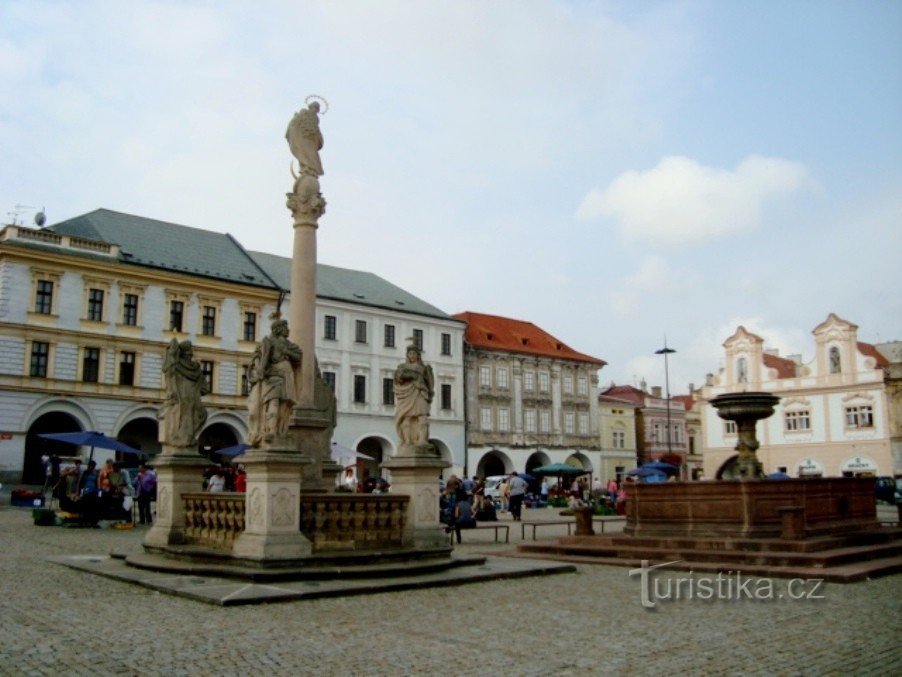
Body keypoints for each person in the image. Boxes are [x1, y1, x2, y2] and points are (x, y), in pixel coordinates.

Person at [247, 317, 302, 446]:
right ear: (278, 329)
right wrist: (261, 371)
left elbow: (298, 356)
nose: (288, 330)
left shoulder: (288, 344)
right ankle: (270, 430)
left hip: (287, 374)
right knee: (273, 401)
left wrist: (286, 351)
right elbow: (262, 358)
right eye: (285, 328)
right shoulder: (268, 341)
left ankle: (281, 430)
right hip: (274, 375)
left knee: (285, 405)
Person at [159, 338, 209, 447]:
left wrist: (171, 351)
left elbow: (167, 369)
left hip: (181, 402)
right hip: (193, 402)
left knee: (183, 418)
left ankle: (184, 439)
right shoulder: (196, 370)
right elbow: (205, 389)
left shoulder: (175, 366)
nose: (190, 355)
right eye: (190, 353)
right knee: (197, 417)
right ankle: (187, 439)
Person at [393, 344, 434, 450]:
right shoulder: (402, 367)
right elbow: (398, 377)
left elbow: (430, 382)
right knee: (406, 417)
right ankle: (407, 441)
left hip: (420, 392)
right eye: (410, 353)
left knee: (422, 416)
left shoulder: (424, 368)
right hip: (407, 393)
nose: (412, 355)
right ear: (407, 355)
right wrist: (411, 375)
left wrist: (430, 393)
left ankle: (422, 440)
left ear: (418, 355)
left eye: (414, 353)